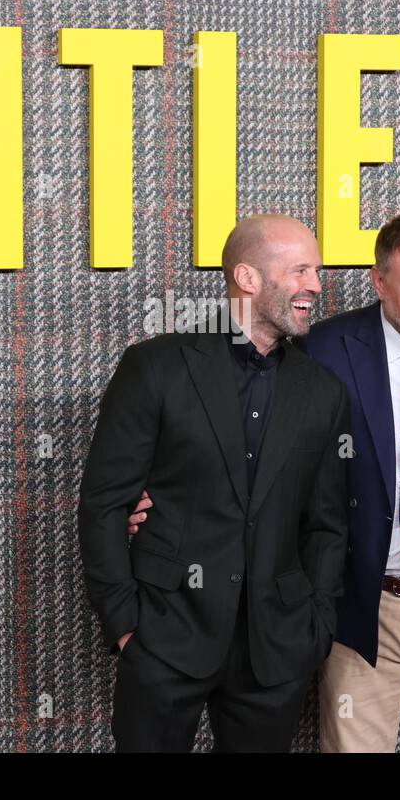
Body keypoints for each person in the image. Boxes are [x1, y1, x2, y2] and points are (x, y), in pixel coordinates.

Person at [129, 209, 400, 752]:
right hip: (359, 606)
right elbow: (248, 440)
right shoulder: (319, 349)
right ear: (379, 282)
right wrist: (158, 497)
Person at [78, 214, 350, 751]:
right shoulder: (155, 367)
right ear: (247, 279)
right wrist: (125, 624)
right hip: (163, 635)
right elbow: (103, 504)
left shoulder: (323, 391)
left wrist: (315, 623)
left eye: (315, 271)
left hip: (276, 648)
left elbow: (327, 522)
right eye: (300, 271)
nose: (316, 286)